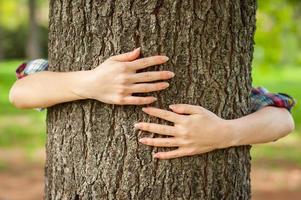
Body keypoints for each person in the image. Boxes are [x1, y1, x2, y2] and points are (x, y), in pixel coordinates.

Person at [9, 48, 296, 160]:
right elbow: (20, 92)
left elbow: (282, 120)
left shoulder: (224, 83)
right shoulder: (65, 68)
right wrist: (88, 82)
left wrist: (226, 133)